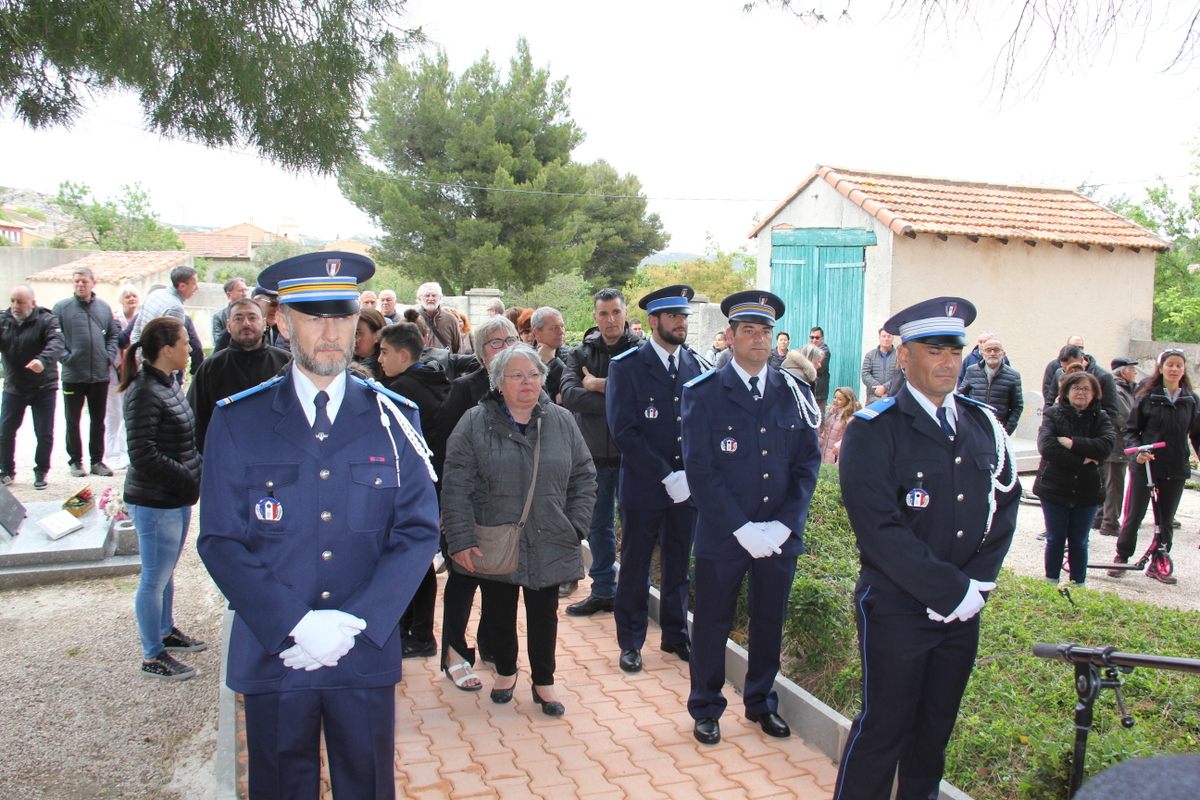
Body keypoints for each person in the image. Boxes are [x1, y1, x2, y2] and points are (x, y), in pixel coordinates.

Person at [197, 252, 440, 799]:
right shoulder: (238, 420)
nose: (331, 334)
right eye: (313, 318)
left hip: (362, 648)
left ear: (359, 324)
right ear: (283, 323)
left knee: (367, 786)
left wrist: (355, 622)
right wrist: (296, 624)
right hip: (276, 650)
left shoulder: (394, 417)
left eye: (343, 317)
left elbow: (418, 530)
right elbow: (220, 539)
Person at [834, 297, 1020, 800]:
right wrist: (948, 590)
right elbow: (879, 528)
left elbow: (1004, 503)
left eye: (954, 351)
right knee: (884, 728)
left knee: (934, 732)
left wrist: (976, 584)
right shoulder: (874, 429)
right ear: (904, 356)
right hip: (897, 605)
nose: (947, 362)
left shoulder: (983, 423)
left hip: (964, 607)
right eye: (934, 351)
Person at [682, 291, 821, 746]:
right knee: (711, 623)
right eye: (748, 331)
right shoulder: (703, 392)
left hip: (778, 535)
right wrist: (741, 528)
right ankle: (706, 706)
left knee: (769, 621)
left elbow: (808, 464)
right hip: (725, 533)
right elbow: (700, 469)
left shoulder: (795, 392)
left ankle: (761, 702)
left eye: (765, 331)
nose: (759, 339)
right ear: (730, 336)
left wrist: (784, 524)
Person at [442, 345, 596, 715]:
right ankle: (506, 671)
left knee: (544, 614)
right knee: (499, 610)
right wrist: (461, 539)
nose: (527, 382)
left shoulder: (562, 420)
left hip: (550, 536)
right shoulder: (474, 422)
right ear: (498, 382)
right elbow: (456, 485)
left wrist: (575, 525)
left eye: (533, 375)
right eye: (516, 375)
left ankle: (544, 682)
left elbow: (584, 476)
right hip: (495, 537)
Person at [606, 285, 706, 674]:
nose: (681, 323)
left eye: (684, 317)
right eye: (673, 317)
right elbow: (624, 431)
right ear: (653, 321)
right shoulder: (627, 366)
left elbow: (703, 428)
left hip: (687, 490)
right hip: (644, 486)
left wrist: (690, 476)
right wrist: (667, 475)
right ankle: (631, 641)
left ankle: (675, 634)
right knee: (635, 565)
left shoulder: (697, 365)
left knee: (679, 564)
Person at [426, 316, 519, 689]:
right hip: (467, 503)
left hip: (508, 505)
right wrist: (446, 508)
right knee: (464, 579)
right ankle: (454, 655)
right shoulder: (465, 390)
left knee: (502, 579)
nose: (505, 347)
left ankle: (491, 644)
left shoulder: (526, 384)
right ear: (480, 352)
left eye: (511, 340)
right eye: (496, 342)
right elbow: (443, 451)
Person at [119, 317, 205, 680]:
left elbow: (183, 441)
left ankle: (165, 631)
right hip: (155, 500)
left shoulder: (167, 383)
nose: (190, 348)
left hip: (175, 496)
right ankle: (152, 654)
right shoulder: (144, 391)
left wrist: (195, 472)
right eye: (185, 343)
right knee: (154, 577)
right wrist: (187, 477)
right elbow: (144, 454)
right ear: (167, 350)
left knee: (166, 571)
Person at [562, 288, 641, 610]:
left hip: (633, 458)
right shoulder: (580, 354)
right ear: (595, 317)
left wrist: (596, 384)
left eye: (616, 312)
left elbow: (645, 399)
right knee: (598, 527)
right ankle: (604, 591)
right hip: (593, 457)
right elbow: (569, 396)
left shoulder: (642, 352)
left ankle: (634, 594)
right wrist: (621, 397)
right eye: (604, 313)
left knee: (636, 529)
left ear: (625, 314)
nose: (611, 319)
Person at [377, 320, 451, 659]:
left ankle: (420, 634)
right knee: (416, 557)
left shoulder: (402, 390)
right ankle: (410, 628)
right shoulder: (432, 378)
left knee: (415, 561)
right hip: (431, 484)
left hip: (415, 486)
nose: (380, 360)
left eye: (384, 352)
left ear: (404, 355)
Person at [1108, 348, 1200, 584]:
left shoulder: (1191, 400)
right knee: (1134, 514)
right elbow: (1131, 430)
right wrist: (1138, 452)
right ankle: (1122, 557)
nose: (1174, 369)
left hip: (1176, 467)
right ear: (1161, 368)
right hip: (1146, 466)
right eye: (1170, 364)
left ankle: (1159, 560)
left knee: (1166, 519)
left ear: (1184, 369)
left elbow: (1197, 435)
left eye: (1179, 365)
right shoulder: (1148, 397)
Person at [1034, 371, 1114, 585]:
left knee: (1079, 541)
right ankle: (1050, 582)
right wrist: (1085, 459)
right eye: (1076, 388)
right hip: (1054, 487)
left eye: (1086, 388)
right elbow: (1048, 448)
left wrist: (1073, 443)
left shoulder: (1101, 417)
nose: (1081, 392)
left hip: (1088, 490)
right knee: (1055, 539)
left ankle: (1078, 585)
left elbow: (1106, 447)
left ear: (1094, 393)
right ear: (1066, 391)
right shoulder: (1052, 413)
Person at [187, 298, 291, 453]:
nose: (246, 323)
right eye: (238, 319)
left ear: (264, 323)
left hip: (279, 452)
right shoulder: (210, 368)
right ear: (228, 326)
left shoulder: (287, 363)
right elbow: (197, 421)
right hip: (226, 454)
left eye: (252, 318)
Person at [53, 266, 120, 477]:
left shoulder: (103, 308)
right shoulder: (61, 308)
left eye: (84, 281)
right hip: (73, 375)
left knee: (98, 420)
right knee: (72, 420)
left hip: (99, 374)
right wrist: (67, 358)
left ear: (93, 283)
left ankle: (97, 461)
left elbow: (113, 335)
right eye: (76, 281)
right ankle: (75, 462)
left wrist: (108, 356)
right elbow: (54, 337)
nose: (80, 285)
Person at [0, 286, 64, 489]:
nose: (15, 306)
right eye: (12, 301)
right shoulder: (4, 321)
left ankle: (41, 471)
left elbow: (57, 343)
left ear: (32, 303)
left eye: (20, 302)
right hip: (14, 387)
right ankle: (6, 471)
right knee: (5, 432)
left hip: (43, 387)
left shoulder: (47, 320)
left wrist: (42, 360)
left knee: (44, 433)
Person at [1096, 357, 1139, 536]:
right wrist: (1137, 434)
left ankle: (1099, 518)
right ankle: (1110, 523)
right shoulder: (1117, 389)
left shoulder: (1121, 388)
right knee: (1114, 485)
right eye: (1132, 369)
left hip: (1114, 444)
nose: (1135, 373)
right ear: (1123, 372)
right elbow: (1126, 418)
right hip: (1117, 445)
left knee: (1107, 482)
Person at [104, 285, 139, 469]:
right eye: (127, 296)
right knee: (114, 415)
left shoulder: (140, 318)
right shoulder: (116, 320)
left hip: (134, 373)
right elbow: (118, 342)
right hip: (116, 373)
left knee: (129, 414)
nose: (131, 299)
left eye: (134, 295)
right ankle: (111, 454)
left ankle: (126, 452)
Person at [957, 338, 1024, 435]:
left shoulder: (1013, 376)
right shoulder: (972, 371)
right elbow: (961, 396)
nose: (992, 353)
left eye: (996, 350)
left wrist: (1006, 430)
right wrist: (965, 421)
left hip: (998, 429)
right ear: (983, 353)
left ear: (1003, 354)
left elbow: (1017, 406)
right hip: (974, 427)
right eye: (988, 350)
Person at [131, 265, 198, 346]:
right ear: (182, 286)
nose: (197, 288)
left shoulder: (155, 293)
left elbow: (137, 327)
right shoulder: (175, 307)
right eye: (194, 284)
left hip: (145, 350)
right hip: (156, 353)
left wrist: (137, 351)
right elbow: (173, 344)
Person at [530, 306, 569, 402]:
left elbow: (576, 388)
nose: (561, 332)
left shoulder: (573, 355)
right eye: (554, 328)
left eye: (562, 326)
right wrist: (555, 399)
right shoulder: (526, 359)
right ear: (537, 332)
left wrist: (552, 361)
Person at [818, 386, 861, 465]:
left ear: (848, 401)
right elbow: (825, 436)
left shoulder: (850, 419)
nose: (835, 401)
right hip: (824, 457)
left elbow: (850, 439)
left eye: (840, 399)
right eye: (835, 397)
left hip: (837, 459)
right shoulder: (832, 416)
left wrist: (837, 450)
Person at [417, 281, 462, 354]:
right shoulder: (413, 319)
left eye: (434, 295)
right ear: (419, 298)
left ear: (440, 298)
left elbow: (457, 348)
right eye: (427, 295)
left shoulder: (450, 319)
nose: (431, 299)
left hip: (444, 360)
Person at [210, 278, 251, 353]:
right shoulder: (219, 317)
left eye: (246, 290)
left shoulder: (255, 313)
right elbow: (218, 340)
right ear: (229, 294)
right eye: (240, 291)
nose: (245, 294)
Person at [1041, 335, 1085, 404]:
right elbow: (1049, 397)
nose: (1076, 349)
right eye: (1064, 368)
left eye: (1080, 347)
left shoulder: (1095, 374)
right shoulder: (1056, 368)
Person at [860, 327, 897, 405]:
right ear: (879, 338)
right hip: (873, 398)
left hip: (892, 397)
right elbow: (865, 375)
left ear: (893, 338)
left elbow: (900, 376)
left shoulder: (899, 356)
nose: (886, 339)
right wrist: (878, 389)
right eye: (883, 336)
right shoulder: (870, 355)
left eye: (889, 336)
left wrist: (885, 388)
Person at [352, 307, 386, 379]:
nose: (353, 339)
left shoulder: (389, 369)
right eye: (351, 332)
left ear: (377, 335)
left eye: (357, 333)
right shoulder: (344, 362)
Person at [809, 327, 831, 416]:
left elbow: (817, 369)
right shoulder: (809, 349)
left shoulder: (825, 352)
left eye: (817, 337)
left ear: (822, 338)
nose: (814, 340)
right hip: (809, 389)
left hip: (819, 391)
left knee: (819, 417)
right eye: (812, 337)